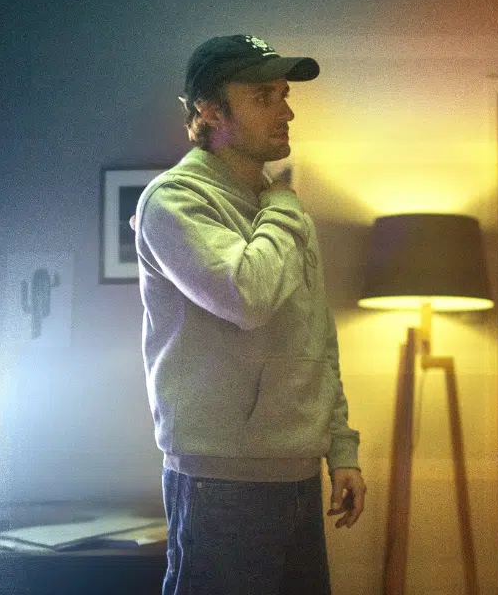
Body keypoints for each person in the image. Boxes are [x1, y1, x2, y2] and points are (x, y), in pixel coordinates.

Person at [134, 34, 366, 595]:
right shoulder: (175, 201)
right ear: (209, 111)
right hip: (220, 483)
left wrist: (341, 450)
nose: (286, 112)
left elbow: (316, 337)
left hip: (298, 474)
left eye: (284, 95)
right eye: (264, 97)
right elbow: (247, 296)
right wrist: (283, 204)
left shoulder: (280, 212)